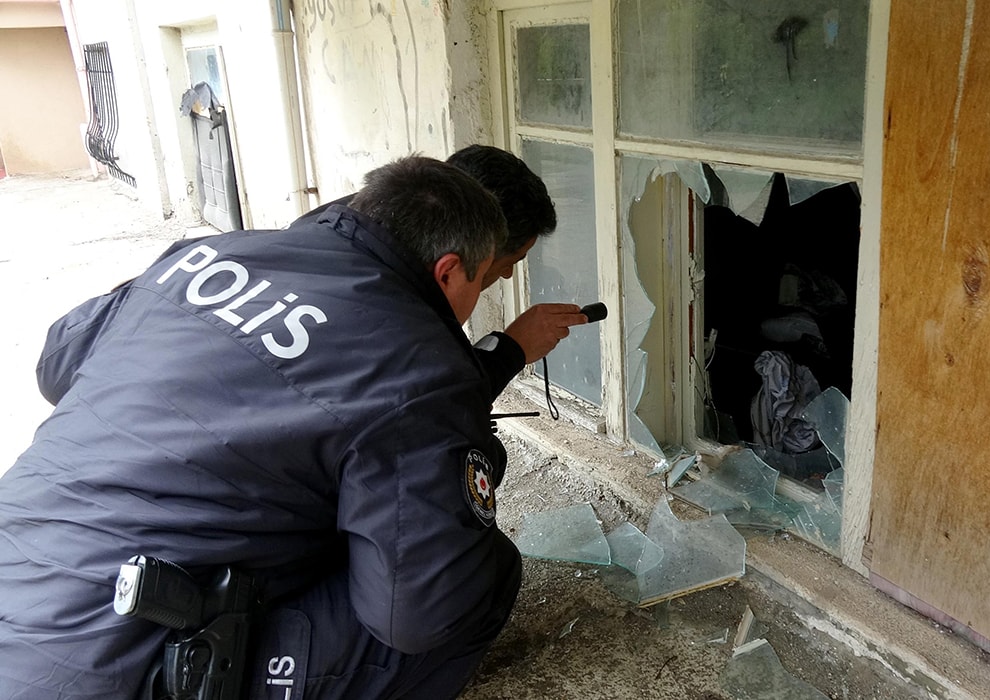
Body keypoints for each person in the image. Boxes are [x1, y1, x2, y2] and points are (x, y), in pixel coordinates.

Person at [0, 156, 529, 698]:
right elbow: (415, 616)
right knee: (477, 576)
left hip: (16, 565)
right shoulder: (421, 365)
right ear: (447, 271)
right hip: (116, 665)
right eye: (482, 280)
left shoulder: (208, 256)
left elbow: (58, 361)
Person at [293, 144, 587, 399]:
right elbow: (432, 409)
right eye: (511, 260)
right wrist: (511, 351)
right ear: (454, 265)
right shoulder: (392, 319)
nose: (508, 274)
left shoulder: (351, 217)